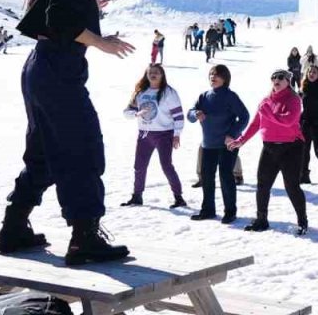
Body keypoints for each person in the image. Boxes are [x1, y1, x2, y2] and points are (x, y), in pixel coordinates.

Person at [0, 0, 134, 266]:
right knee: (82, 147)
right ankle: (84, 237)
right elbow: (59, 20)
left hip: (40, 70)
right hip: (57, 73)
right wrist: (99, 41)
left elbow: (47, 21)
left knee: (43, 150)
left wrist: (90, 14)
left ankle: (14, 227)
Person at [229, 70, 308, 234]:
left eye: (280, 78)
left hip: (291, 148)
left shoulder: (294, 99)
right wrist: (241, 140)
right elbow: (256, 124)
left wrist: (267, 112)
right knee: (263, 185)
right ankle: (261, 219)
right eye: (273, 78)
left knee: (291, 186)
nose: (276, 80)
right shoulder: (266, 100)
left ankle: (302, 221)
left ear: (288, 81)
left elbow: (288, 121)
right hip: (270, 147)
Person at [187, 64, 249, 225]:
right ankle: (208, 210)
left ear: (225, 78)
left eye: (217, 75)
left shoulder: (230, 96)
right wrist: (196, 113)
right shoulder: (204, 96)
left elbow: (244, 116)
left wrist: (232, 135)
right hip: (208, 144)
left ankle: (230, 212)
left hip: (227, 145)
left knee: (225, 176)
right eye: (211, 74)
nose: (213, 77)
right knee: (207, 177)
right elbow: (190, 113)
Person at [121, 64, 186, 209]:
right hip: (145, 134)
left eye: (157, 72)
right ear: (146, 75)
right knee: (139, 166)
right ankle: (137, 196)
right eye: (151, 72)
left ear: (162, 75)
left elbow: (179, 116)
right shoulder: (140, 92)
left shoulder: (169, 93)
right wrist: (136, 113)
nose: (153, 75)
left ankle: (179, 197)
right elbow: (126, 112)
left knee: (166, 165)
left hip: (164, 134)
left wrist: (176, 135)